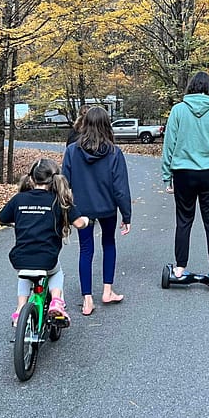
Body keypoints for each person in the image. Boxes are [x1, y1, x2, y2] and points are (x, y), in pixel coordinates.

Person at [160, 71, 209, 282]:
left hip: (183, 173)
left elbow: (169, 145)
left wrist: (167, 176)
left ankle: (180, 268)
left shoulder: (178, 111)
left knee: (183, 220)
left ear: (190, 88)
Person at [0, 157, 88, 327]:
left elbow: (2, 218)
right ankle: (56, 301)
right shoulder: (59, 200)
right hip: (47, 259)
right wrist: (85, 219)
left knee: (24, 274)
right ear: (54, 179)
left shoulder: (19, 199)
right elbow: (79, 223)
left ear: (31, 178)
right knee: (56, 272)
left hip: (20, 258)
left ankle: (19, 309)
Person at [61, 106, 132, 315]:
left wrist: (66, 210)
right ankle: (107, 291)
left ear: (85, 124)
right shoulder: (114, 152)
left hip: (82, 209)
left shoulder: (72, 151)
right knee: (108, 244)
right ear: (106, 125)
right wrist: (126, 215)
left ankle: (87, 300)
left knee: (85, 249)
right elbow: (121, 188)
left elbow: (64, 182)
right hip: (107, 208)